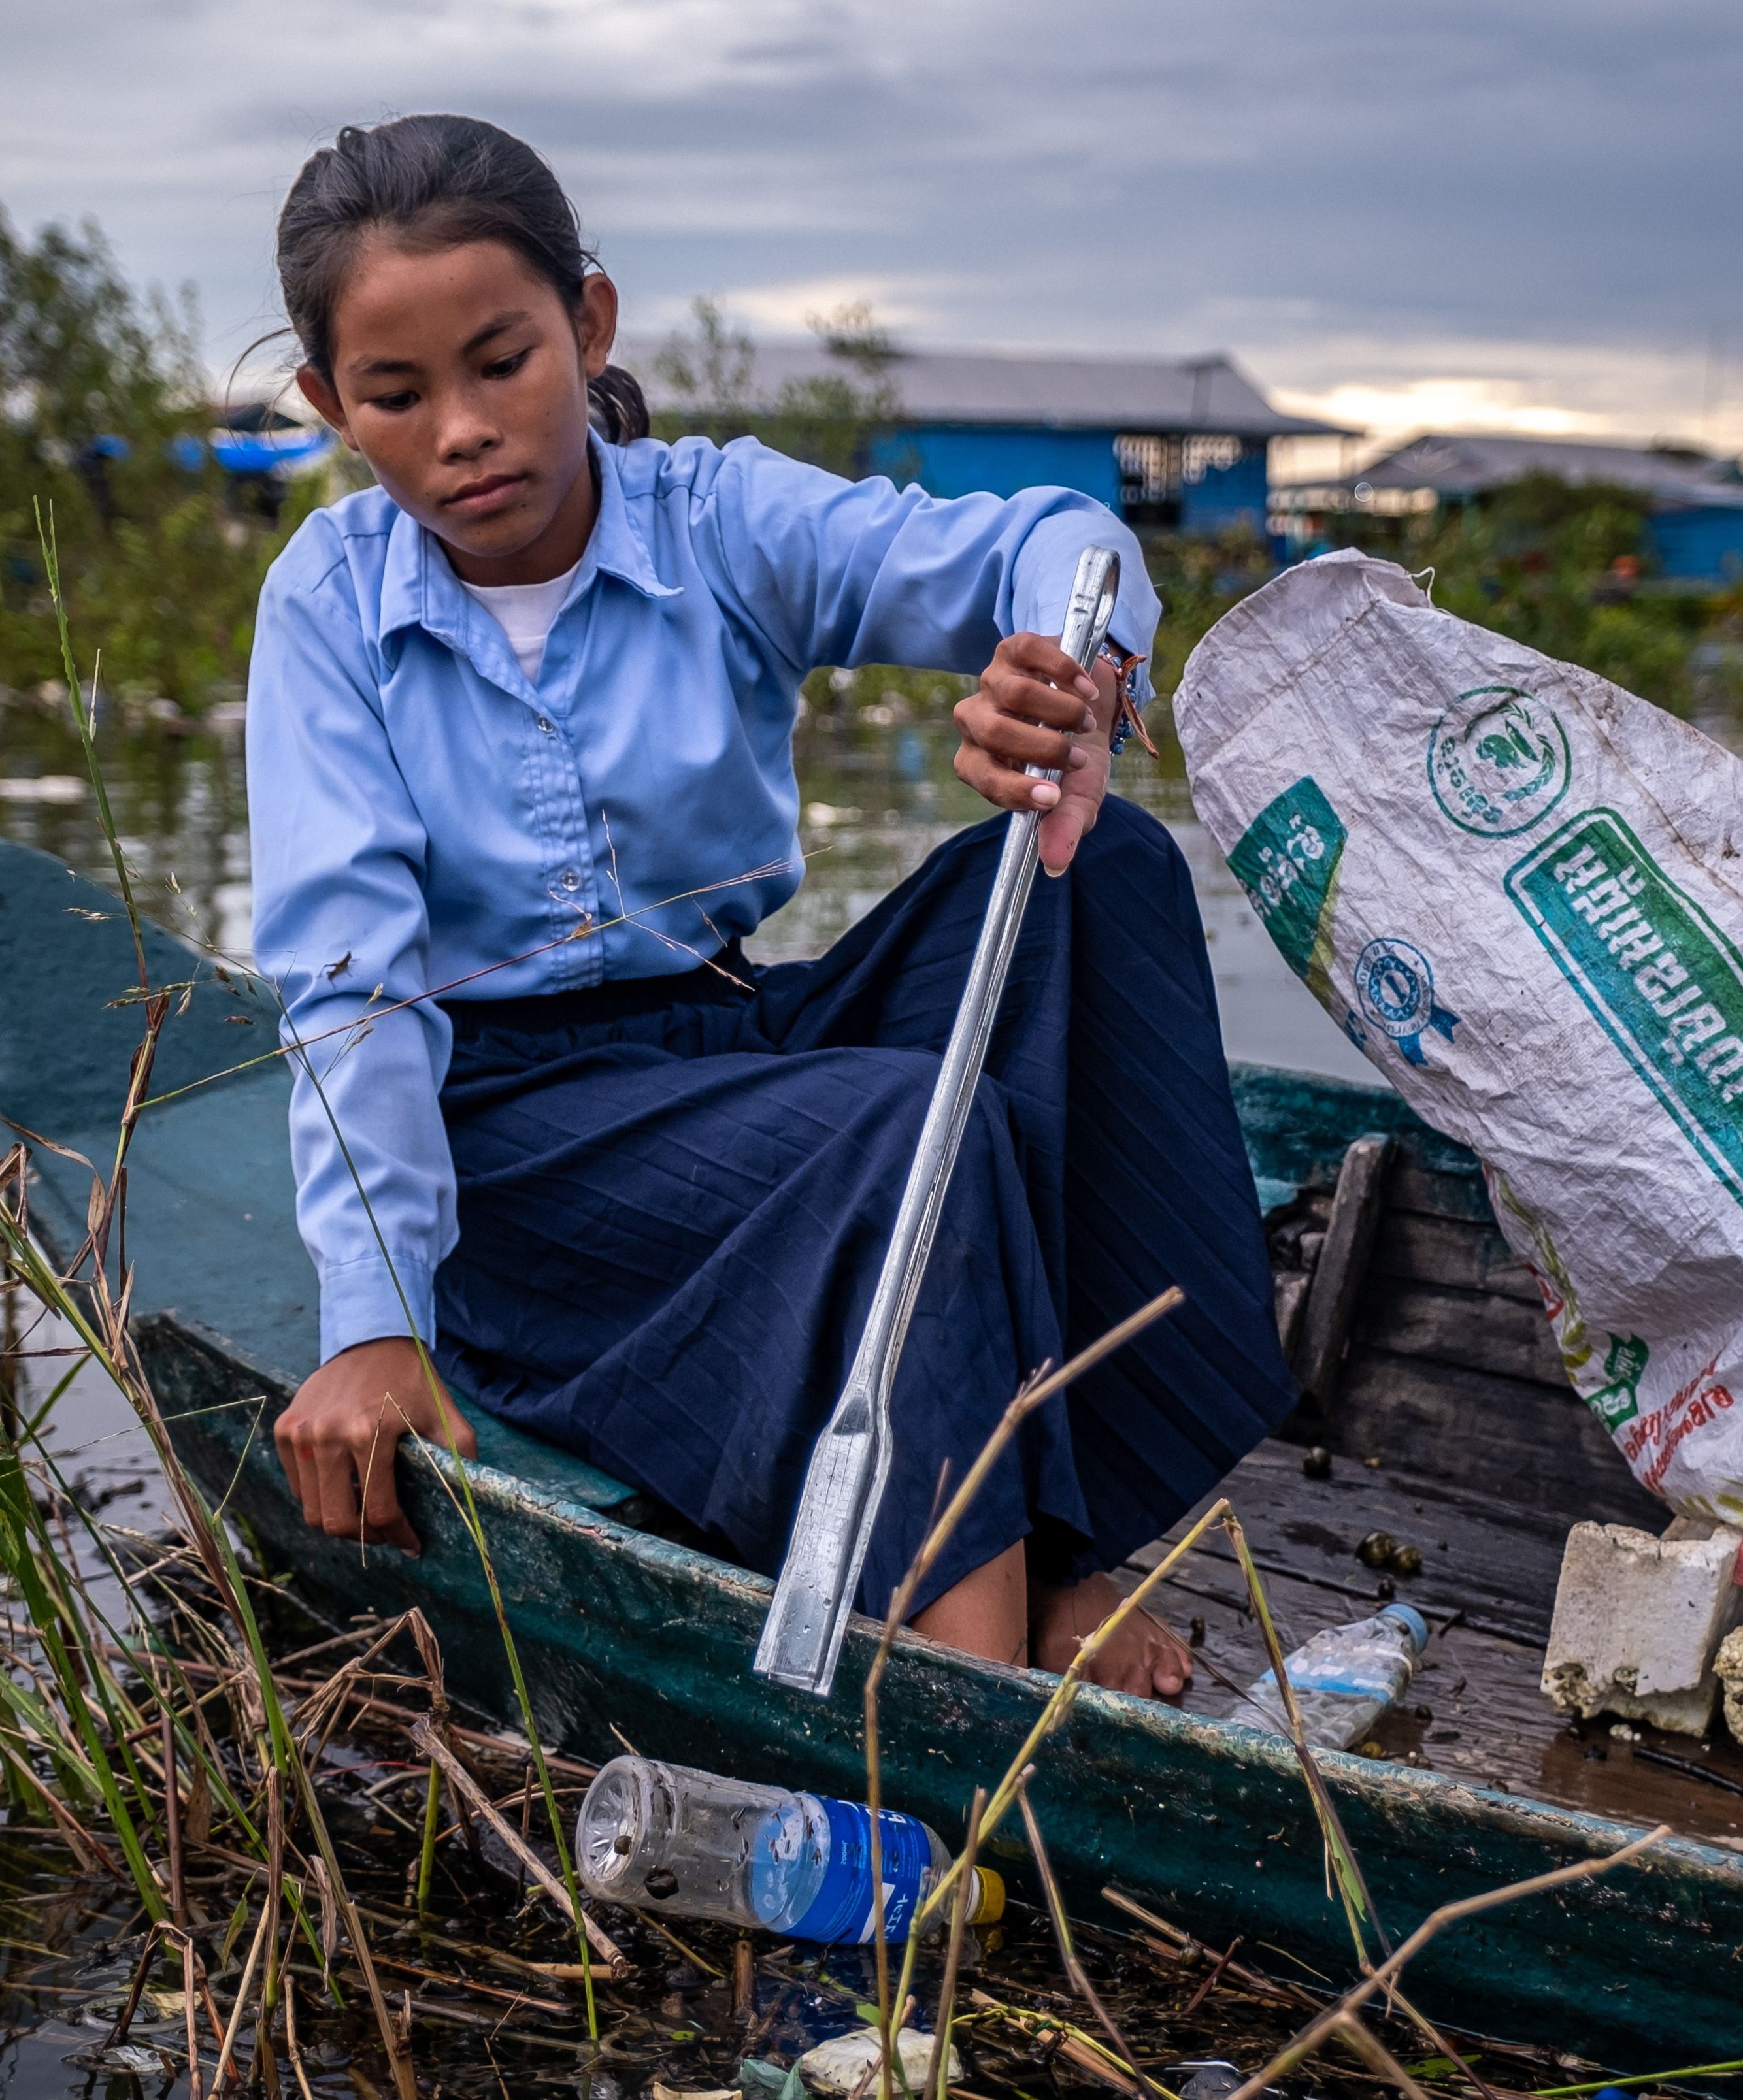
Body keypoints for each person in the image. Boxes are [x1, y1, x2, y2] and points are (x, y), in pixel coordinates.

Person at [246, 115, 1297, 1701]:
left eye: (502, 362)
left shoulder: (713, 519)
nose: (461, 430)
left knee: (1105, 875)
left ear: (585, 327)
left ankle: (1070, 1535)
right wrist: (373, 1319)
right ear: (333, 407)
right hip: (517, 1141)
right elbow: (351, 988)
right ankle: (966, 1686)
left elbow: (1049, 542)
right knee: (897, 1130)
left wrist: (1070, 669)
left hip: (723, 1041)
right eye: (396, 396)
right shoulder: (329, 604)